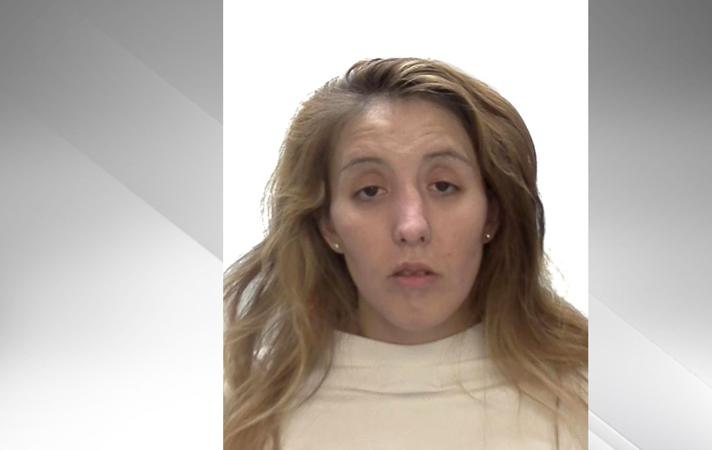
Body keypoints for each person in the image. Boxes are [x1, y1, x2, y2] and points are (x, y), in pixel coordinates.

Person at [224, 57, 588, 450]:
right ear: (328, 225)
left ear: (492, 213)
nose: (411, 227)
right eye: (370, 191)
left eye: (444, 186)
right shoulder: (241, 409)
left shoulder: (585, 398)